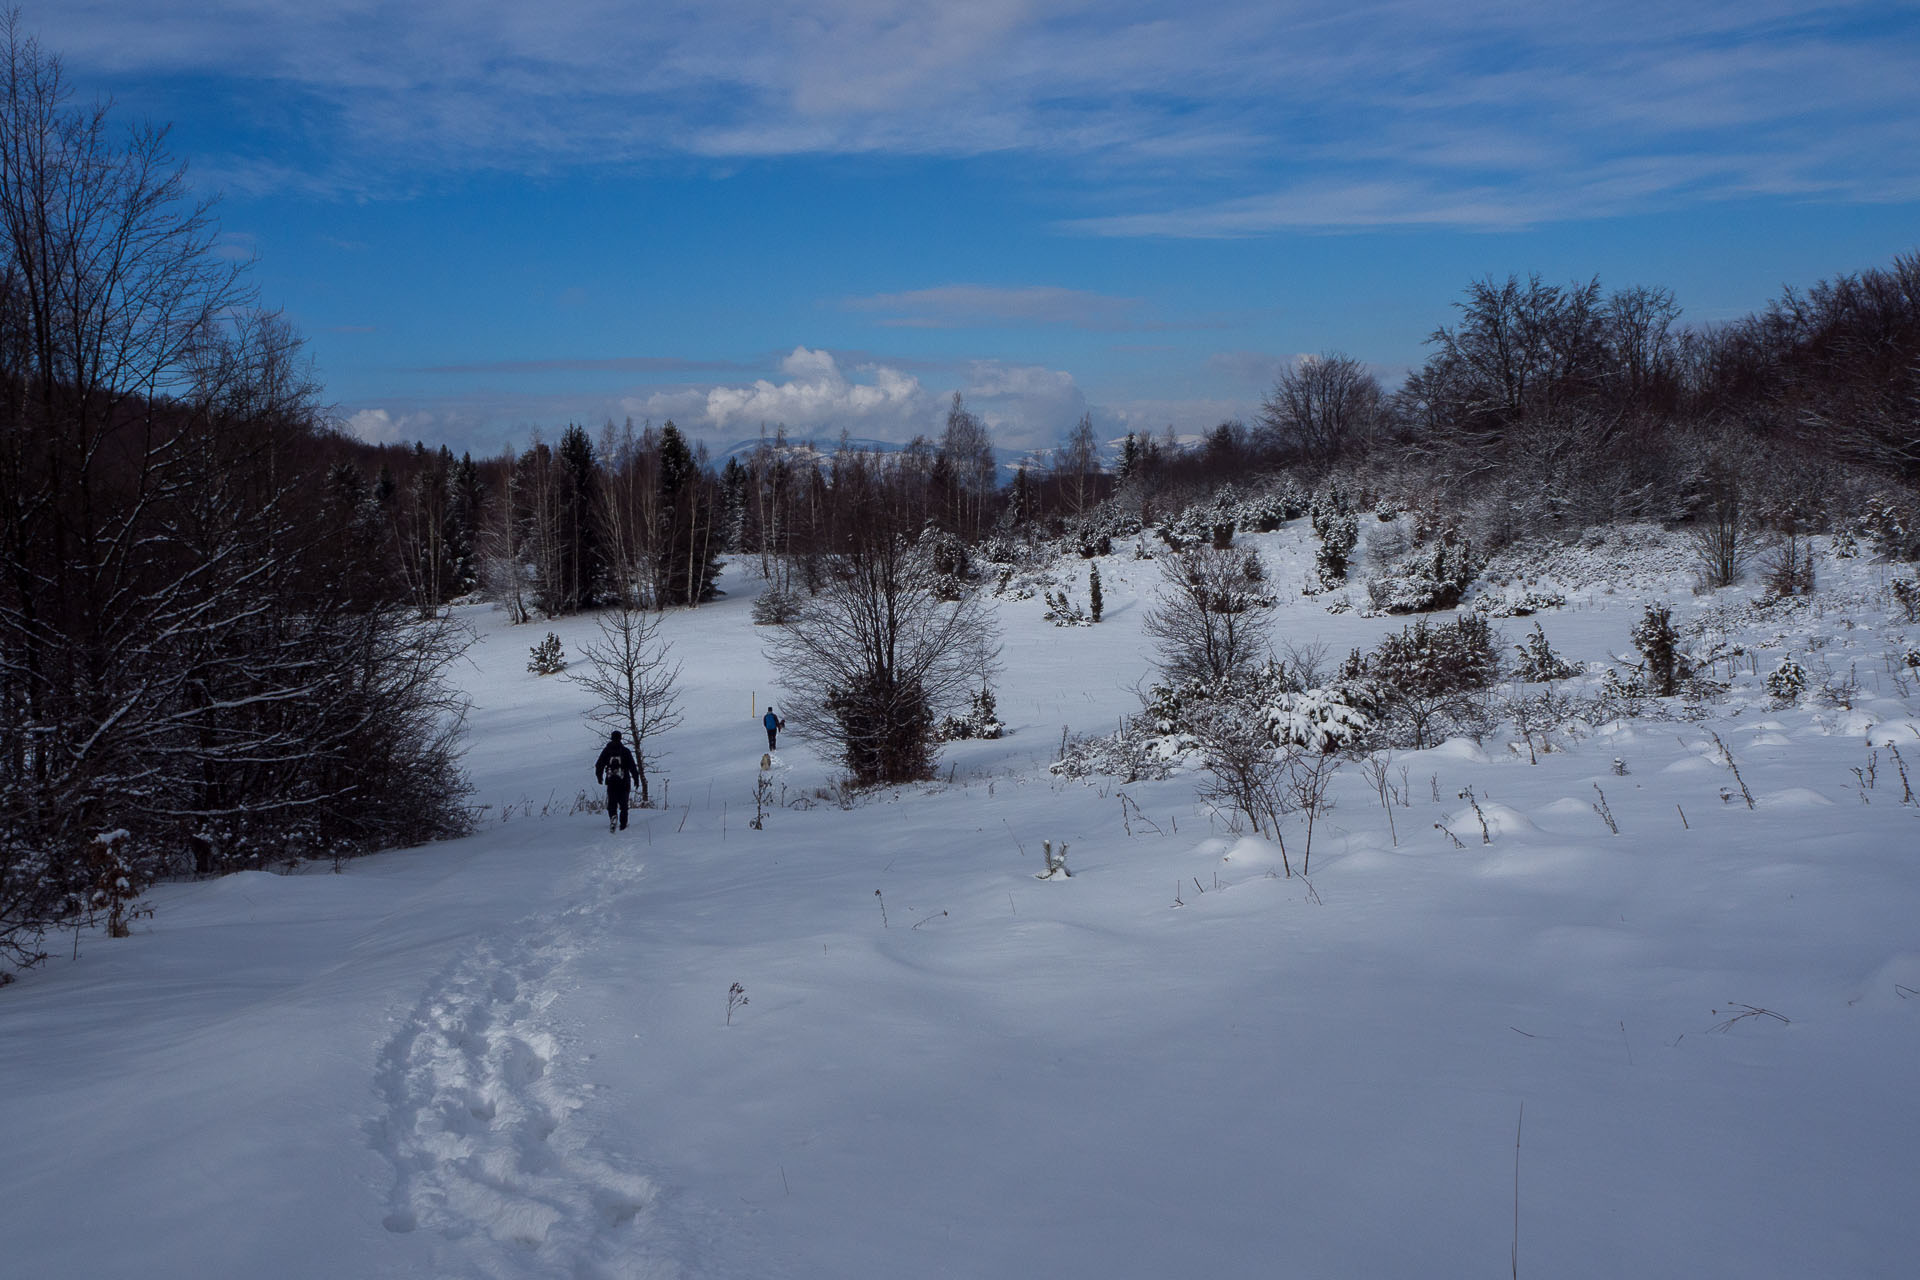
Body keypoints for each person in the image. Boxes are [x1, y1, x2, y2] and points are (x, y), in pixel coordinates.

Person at [595, 730, 638, 831]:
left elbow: (599, 765)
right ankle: (623, 824)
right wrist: (636, 779)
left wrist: (599, 776)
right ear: (621, 738)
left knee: (612, 803)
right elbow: (632, 766)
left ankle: (613, 817)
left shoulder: (607, 751)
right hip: (624, 781)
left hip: (611, 781)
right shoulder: (625, 751)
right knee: (624, 804)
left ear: (611, 738)